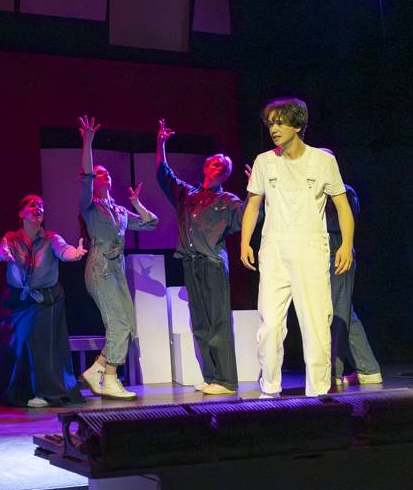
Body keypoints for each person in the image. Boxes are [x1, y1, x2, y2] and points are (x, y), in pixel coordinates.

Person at [240, 98, 354, 398]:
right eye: (271, 123)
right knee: (270, 325)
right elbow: (253, 205)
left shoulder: (323, 161)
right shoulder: (264, 161)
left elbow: (343, 206)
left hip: (310, 248)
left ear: (298, 125)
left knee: (315, 322)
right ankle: (269, 389)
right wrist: (244, 242)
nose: (274, 129)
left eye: (280, 122)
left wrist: (346, 244)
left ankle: (318, 392)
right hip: (274, 248)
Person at [156, 119, 245, 396]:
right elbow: (164, 175)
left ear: (226, 175)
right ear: (206, 167)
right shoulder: (187, 194)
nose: (220, 167)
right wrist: (160, 144)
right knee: (200, 324)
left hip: (213, 263)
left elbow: (251, 218)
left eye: (225, 167)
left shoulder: (229, 201)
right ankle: (211, 377)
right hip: (190, 263)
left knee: (219, 321)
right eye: (216, 163)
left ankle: (227, 381)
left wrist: (258, 191)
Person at [77, 116, 158, 400]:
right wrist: (88, 141)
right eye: (99, 174)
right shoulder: (89, 205)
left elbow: (151, 223)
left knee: (127, 323)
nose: (104, 175)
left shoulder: (120, 210)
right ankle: (110, 378)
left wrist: (136, 203)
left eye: (106, 173)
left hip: (117, 268)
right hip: (100, 266)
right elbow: (86, 175)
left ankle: (97, 369)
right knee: (119, 323)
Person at [0, 195, 88, 408]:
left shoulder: (51, 238)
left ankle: (47, 393)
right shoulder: (11, 238)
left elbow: (64, 250)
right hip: (17, 302)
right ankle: (19, 392)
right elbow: (2, 251)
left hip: (45, 300)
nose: (39, 208)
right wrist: (4, 254)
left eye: (42, 206)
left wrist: (74, 254)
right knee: (15, 344)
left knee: (39, 341)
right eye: (33, 205)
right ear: (21, 213)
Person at [325, 183, 382, 385]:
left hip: (339, 257)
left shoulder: (345, 192)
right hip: (323, 258)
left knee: (338, 313)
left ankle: (334, 371)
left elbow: (341, 222)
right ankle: (368, 369)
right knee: (344, 313)